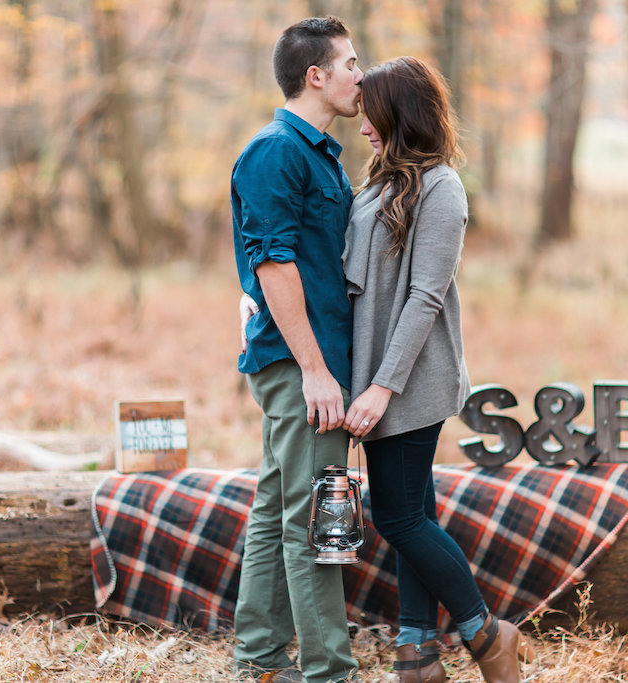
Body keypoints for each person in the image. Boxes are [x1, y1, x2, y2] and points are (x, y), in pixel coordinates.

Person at [340, 57, 535, 683]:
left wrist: (380, 386)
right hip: (377, 374)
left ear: (399, 111)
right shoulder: (379, 181)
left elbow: (426, 295)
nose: (363, 124)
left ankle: (485, 631)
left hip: (411, 381)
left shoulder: (442, 186)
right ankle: (417, 653)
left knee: (397, 517)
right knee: (413, 512)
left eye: (371, 111)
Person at [230, 16, 363, 683]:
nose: (359, 77)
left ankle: (257, 655)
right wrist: (314, 369)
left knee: (279, 505)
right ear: (317, 76)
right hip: (299, 366)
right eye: (350, 63)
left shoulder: (317, 154)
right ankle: (330, 672)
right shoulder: (276, 150)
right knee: (319, 515)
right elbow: (273, 265)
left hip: (315, 362)